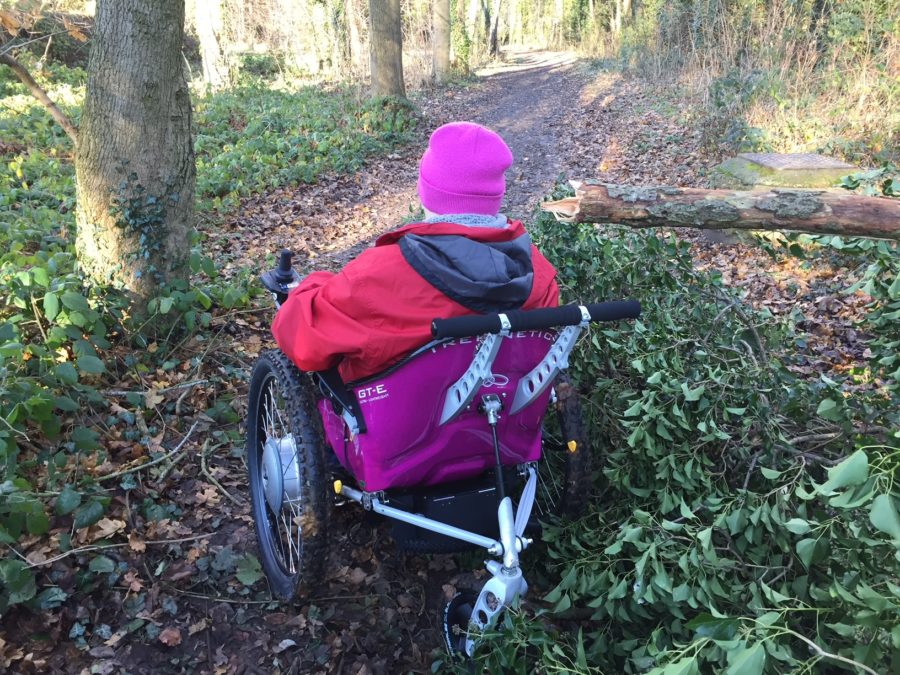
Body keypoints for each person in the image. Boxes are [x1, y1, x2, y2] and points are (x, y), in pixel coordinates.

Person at [272, 122, 559, 383]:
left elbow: (304, 341)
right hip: (502, 422)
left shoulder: (377, 274)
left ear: (427, 191)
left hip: (392, 430)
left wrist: (312, 286)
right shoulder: (539, 275)